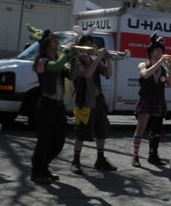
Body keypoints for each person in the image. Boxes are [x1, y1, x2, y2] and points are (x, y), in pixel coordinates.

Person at [30, 30, 76, 183]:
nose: (57, 42)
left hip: (58, 105)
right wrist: (67, 52)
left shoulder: (59, 59)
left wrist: (74, 58)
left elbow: (72, 75)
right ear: (47, 44)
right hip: (46, 105)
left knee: (59, 141)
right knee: (44, 140)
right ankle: (36, 171)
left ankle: (44, 167)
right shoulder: (42, 61)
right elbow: (55, 67)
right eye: (54, 40)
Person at [71, 32, 115, 174]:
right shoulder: (77, 60)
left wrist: (107, 59)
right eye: (86, 45)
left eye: (91, 44)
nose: (89, 47)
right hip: (84, 100)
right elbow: (86, 74)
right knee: (81, 132)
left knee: (102, 131)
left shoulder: (94, 58)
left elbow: (108, 74)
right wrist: (98, 59)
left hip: (98, 100)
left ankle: (100, 159)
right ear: (80, 46)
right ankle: (76, 161)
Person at [132, 33, 171, 167]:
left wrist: (170, 69)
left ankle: (153, 156)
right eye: (157, 50)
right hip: (146, 99)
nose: (159, 53)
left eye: (161, 51)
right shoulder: (143, 64)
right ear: (150, 52)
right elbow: (144, 74)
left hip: (158, 101)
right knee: (141, 128)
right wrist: (160, 63)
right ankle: (135, 156)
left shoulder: (163, 68)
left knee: (156, 130)